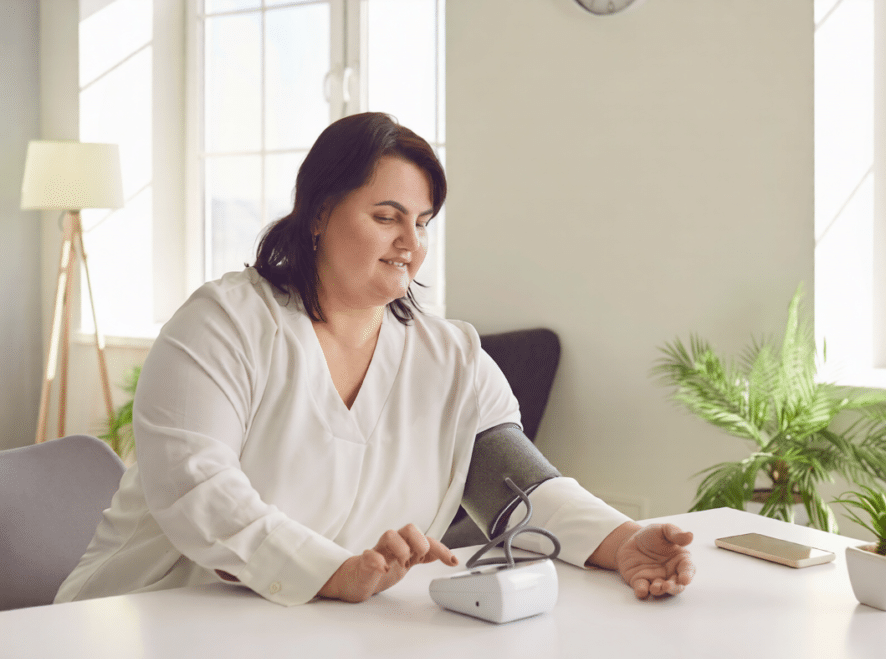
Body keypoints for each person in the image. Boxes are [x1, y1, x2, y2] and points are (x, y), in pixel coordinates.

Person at [55, 112, 695, 607]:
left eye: (423, 222)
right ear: (318, 214)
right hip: (145, 621)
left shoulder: (450, 356)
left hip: (315, 632)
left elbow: (520, 491)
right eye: (388, 217)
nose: (411, 244)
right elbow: (199, 490)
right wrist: (331, 573)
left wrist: (624, 542)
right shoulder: (223, 325)